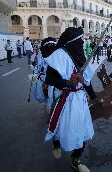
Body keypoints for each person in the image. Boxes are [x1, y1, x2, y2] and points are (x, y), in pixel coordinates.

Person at [44, 27, 100, 172]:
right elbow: (49, 78)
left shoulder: (80, 55)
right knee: (62, 127)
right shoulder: (59, 56)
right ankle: (56, 142)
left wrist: (94, 97)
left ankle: (76, 159)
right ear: (72, 42)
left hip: (80, 100)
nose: (82, 42)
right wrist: (67, 83)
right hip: (64, 99)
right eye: (80, 40)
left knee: (81, 128)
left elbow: (86, 81)